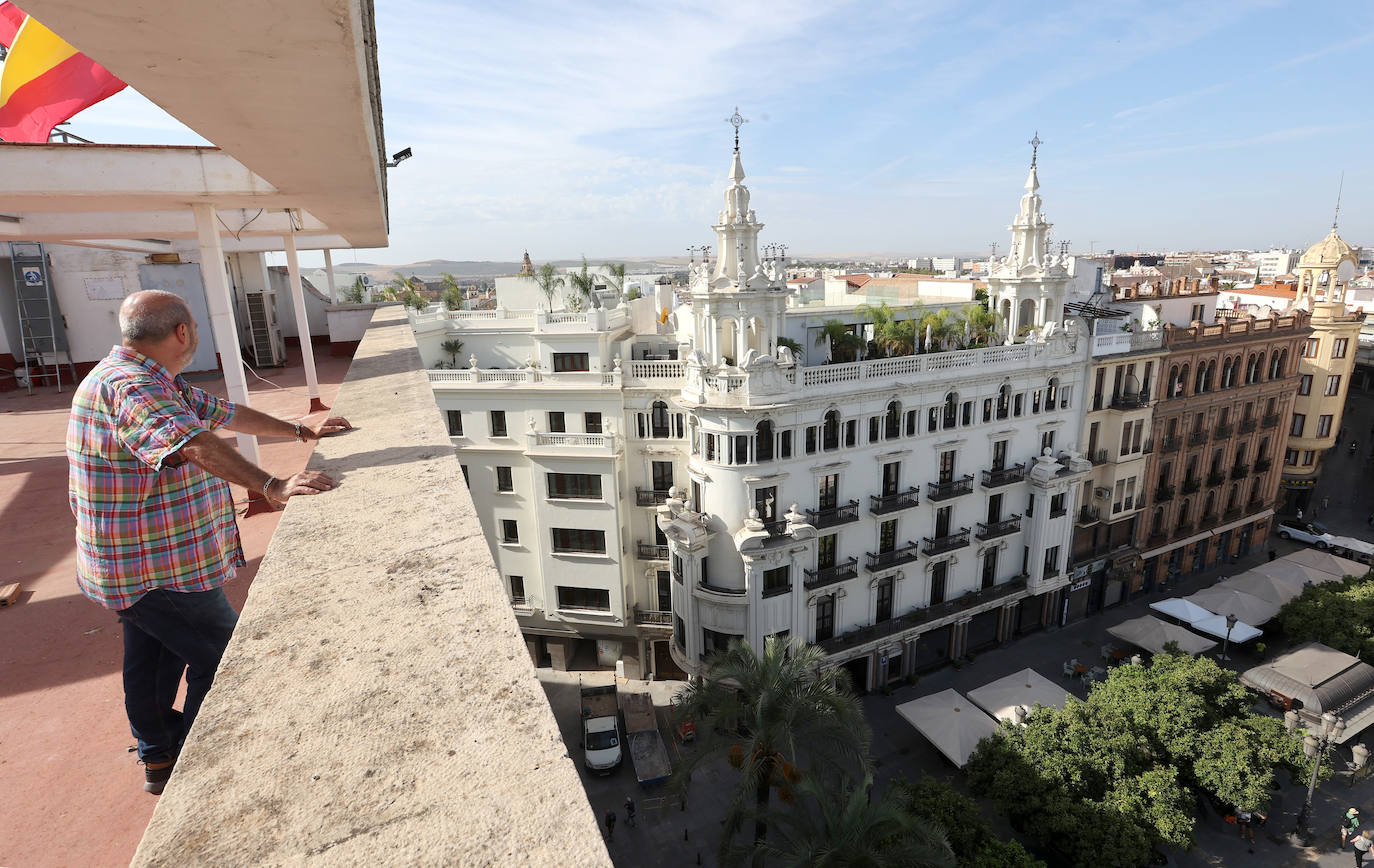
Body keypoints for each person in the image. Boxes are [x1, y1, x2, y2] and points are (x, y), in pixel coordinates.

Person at [67, 290, 351, 795]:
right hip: (155, 568)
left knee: (153, 657)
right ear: (183, 332)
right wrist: (273, 487)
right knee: (225, 660)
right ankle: (205, 771)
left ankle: (158, 756)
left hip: (142, 564)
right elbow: (193, 443)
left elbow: (226, 414)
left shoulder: (155, 379)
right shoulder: (132, 385)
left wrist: (301, 432)